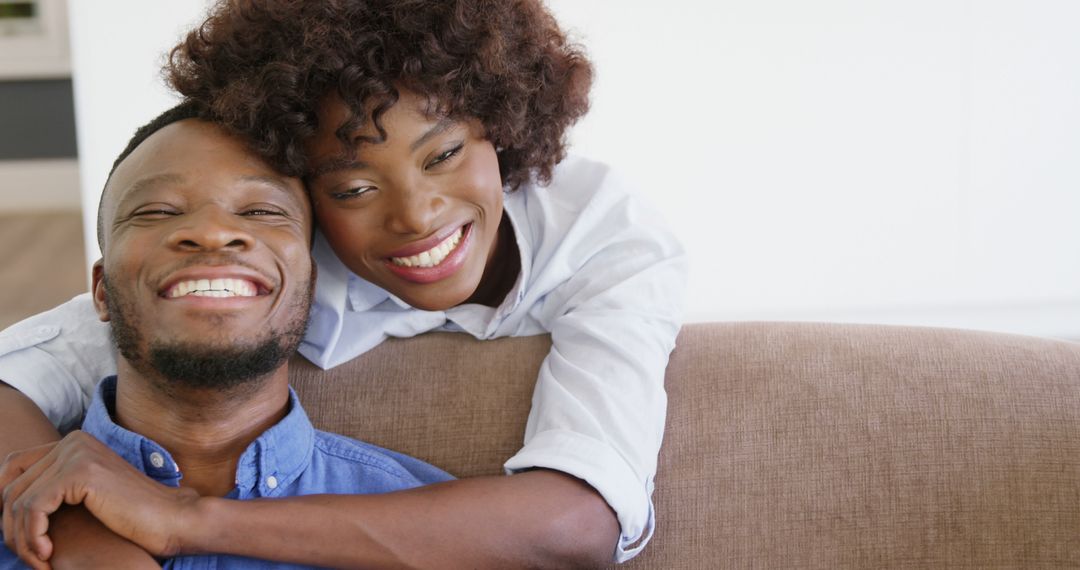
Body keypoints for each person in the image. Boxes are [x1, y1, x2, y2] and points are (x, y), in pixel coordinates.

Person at [0, 0, 687, 565]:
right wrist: (83, 538)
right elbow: (41, 365)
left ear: (502, 127)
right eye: (353, 186)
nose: (416, 215)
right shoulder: (278, 253)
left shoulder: (605, 235)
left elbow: (580, 523)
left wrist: (182, 519)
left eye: (445, 153)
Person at [1, 103, 453, 569]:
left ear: (311, 286)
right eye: (157, 210)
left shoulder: (438, 538)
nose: (212, 232)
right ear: (101, 291)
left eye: (261, 210)